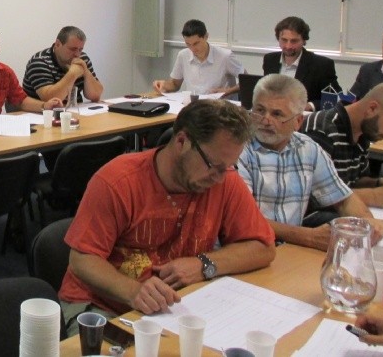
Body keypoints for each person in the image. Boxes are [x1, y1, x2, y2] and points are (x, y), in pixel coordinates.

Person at [59, 99, 275, 329]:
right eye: (213, 165)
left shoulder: (223, 180)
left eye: (229, 167)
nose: (221, 178)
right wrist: (134, 292)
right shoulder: (118, 182)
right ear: (182, 141)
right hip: (103, 304)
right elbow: (82, 260)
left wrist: (203, 264)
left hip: (176, 306)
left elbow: (263, 248)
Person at [237, 74, 379, 251]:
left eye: (277, 114)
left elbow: (343, 199)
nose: (265, 120)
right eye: (259, 110)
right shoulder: (238, 149)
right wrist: (308, 237)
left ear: (298, 121)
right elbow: (243, 218)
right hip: (247, 248)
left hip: (289, 250)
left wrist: (368, 225)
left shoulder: (307, 148)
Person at [302, 82, 383, 208]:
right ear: (372, 108)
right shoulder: (322, 131)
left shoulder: (364, 131)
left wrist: (379, 183)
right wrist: (375, 196)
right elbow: (314, 197)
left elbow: (353, 182)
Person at [262, 16, 340, 111]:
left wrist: (309, 106)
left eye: (294, 41)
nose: (288, 46)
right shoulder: (270, 60)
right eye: (284, 40)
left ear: (304, 41)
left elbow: (335, 98)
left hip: (304, 117)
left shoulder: (322, 65)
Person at [153, 19, 244, 97]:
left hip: (220, 107)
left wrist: (227, 91)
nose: (192, 48)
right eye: (188, 44)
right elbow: (175, 84)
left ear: (206, 37)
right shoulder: (183, 55)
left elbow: (247, 81)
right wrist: (164, 85)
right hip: (194, 105)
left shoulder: (225, 56)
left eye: (196, 43)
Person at [22, 25, 104, 104]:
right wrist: (72, 74)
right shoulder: (39, 61)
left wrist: (86, 72)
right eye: (73, 49)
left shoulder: (82, 59)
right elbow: (50, 99)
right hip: (42, 112)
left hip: (74, 109)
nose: (77, 54)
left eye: (80, 49)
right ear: (58, 44)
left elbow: (95, 96)